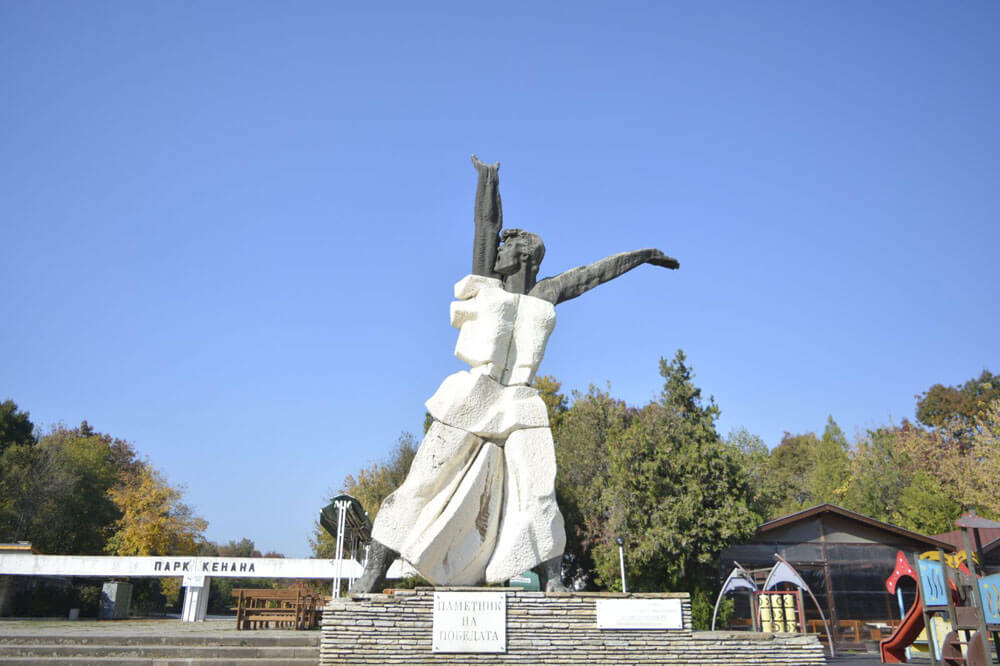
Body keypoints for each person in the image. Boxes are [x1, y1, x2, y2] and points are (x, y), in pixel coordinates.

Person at [350, 156, 678, 593]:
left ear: (524, 256)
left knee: (539, 490)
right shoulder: (487, 284)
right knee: (424, 481)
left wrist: (643, 256)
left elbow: (594, 275)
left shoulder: (547, 293)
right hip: (475, 394)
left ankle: (552, 578)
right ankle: (374, 571)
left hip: (519, 401)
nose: (497, 252)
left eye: (507, 248)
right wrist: (489, 179)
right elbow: (486, 225)